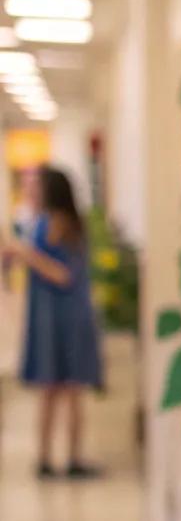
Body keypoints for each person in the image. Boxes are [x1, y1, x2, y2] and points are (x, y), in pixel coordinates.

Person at [2, 165, 104, 478]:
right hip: (48, 316)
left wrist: (21, 252)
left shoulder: (65, 224)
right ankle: (45, 458)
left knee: (71, 389)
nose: (32, 191)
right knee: (50, 391)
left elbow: (62, 274)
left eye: (37, 186)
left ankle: (72, 458)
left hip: (67, 318)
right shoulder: (40, 222)